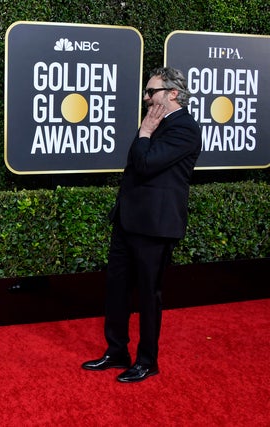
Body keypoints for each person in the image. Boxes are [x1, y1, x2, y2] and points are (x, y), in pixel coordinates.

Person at [81, 67, 202, 383]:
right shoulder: (157, 124)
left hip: (155, 226)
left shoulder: (184, 128)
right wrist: (147, 131)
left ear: (172, 93)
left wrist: (145, 131)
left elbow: (146, 164)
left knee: (149, 295)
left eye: (152, 92)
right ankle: (116, 351)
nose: (146, 98)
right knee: (117, 289)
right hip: (128, 221)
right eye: (147, 93)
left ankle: (147, 361)